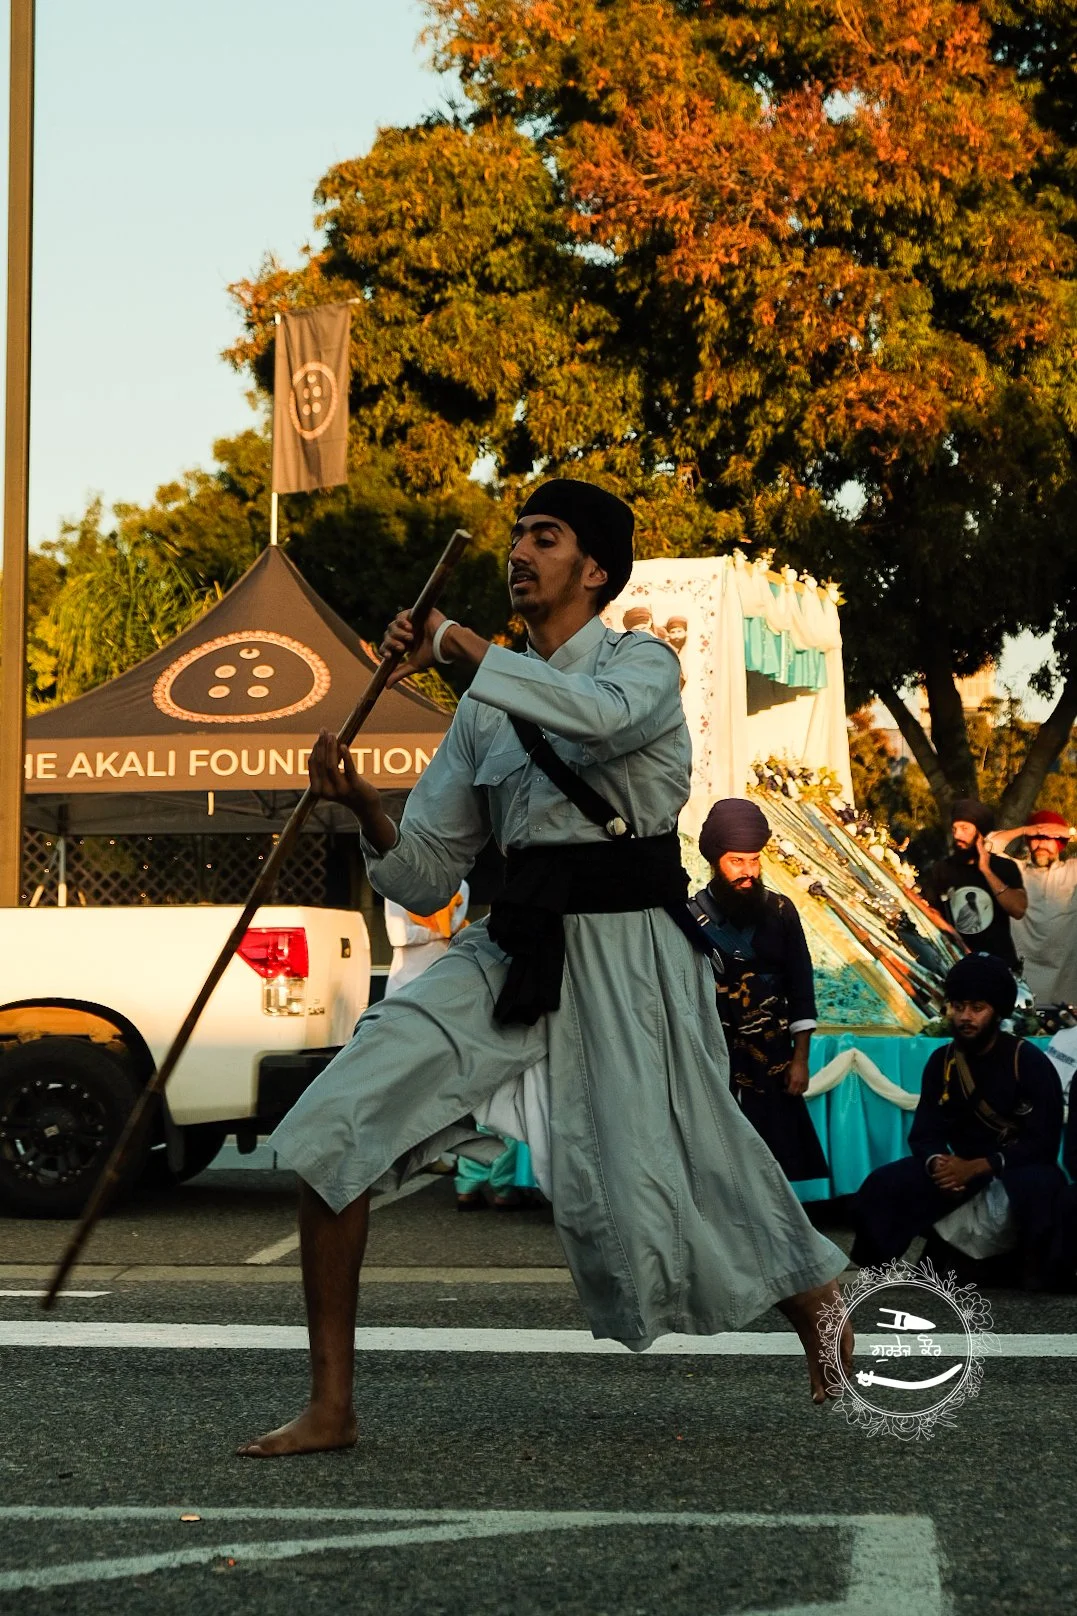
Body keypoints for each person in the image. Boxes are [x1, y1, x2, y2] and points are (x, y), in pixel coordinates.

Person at [237, 477, 849, 1458]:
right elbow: (427, 868)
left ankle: (822, 1307)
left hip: (633, 953)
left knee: (688, 1154)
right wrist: (359, 803)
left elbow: (595, 720)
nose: (520, 551)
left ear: (594, 568)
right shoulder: (484, 710)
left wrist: (459, 648)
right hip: (512, 944)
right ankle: (331, 1404)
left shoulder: (641, 663)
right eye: (517, 534)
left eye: (545, 536)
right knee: (334, 1121)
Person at [852, 955, 1065, 1284]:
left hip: (1015, 1166)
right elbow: (925, 1133)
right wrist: (939, 1164)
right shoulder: (942, 1061)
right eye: (958, 1006)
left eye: (977, 1008)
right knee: (884, 1183)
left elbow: (1044, 1141)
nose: (966, 1017)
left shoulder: (1028, 1061)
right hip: (959, 1167)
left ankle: (1029, 1268)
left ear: (997, 1012)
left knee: (1040, 1187)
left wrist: (983, 1165)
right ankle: (876, 1266)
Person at [691, 798, 828, 1182]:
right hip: (712, 1053)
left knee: (775, 1162)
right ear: (716, 861)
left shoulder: (781, 911)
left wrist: (800, 1060)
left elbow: (802, 987)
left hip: (772, 1058)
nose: (747, 871)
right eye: (737, 861)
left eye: (754, 861)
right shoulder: (690, 916)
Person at [922, 798, 1027, 969]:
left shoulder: (1004, 867)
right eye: (954, 829)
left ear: (980, 832)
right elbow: (931, 912)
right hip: (958, 964)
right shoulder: (942, 869)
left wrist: (986, 870)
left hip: (999, 966)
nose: (957, 835)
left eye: (964, 829)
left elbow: (1018, 909)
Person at [986, 810, 1077, 1006]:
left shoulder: (1072, 871)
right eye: (1036, 837)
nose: (1041, 844)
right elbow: (987, 847)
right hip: (1024, 983)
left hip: (1065, 985)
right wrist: (1025, 829)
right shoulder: (1015, 871)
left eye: (1049, 838)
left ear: (1060, 842)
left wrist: (1070, 832)